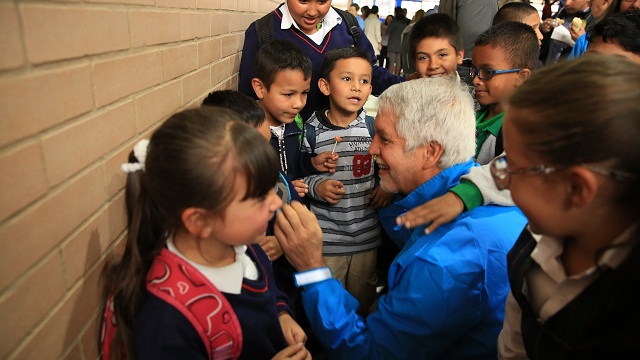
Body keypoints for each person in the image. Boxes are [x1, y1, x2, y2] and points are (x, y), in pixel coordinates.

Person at [274, 77, 528, 359]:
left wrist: (312, 269)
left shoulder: (440, 262)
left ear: (430, 152)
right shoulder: (485, 196)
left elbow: (370, 353)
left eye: (384, 138)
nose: (372, 149)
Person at [99, 107, 311, 359]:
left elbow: (266, 287)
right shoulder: (167, 320)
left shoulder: (243, 244)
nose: (276, 204)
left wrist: (281, 314)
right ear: (200, 221)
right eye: (258, 197)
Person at [496, 54, 640, 359]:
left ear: (576, 189)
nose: (501, 181)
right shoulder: (533, 244)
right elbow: (514, 343)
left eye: (512, 167)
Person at [302, 47, 392, 316]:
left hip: (366, 238)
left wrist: (386, 188)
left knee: (362, 303)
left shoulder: (375, 128)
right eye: (347, 79)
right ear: (325, 86)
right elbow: (297, 175)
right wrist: (317, 185)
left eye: (364, 81)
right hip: (326, 240)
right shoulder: (310, 130)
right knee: (328, 306)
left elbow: (388, 165)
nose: (357, 88)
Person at [238, 0, 403, 121]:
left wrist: (407, 84)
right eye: (303, 1)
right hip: (289, 144)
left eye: (322, 1)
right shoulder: (263, 32)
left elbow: (370, 73)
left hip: (340, 142)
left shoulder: (347, 25)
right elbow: (248, 98)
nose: (312, 11)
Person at [250, 40, 337, 192]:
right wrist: (284, 191)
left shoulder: (296, 121)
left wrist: (312, 164)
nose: (298, 104)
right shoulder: (248, 130)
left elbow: (292, 164)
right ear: (260, 88)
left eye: (304, 93)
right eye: (288, 94)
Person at [471, 22, 539, 166]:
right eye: (475, 70)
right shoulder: (469, 114)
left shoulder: (518, 135)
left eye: (487, 72)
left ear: (521, 77)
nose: (476, 80)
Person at [540, 0, 592, 64]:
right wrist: (544, 29)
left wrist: (582, 41)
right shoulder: (561, 12)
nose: (567, 3)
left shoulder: (594, 20)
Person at [400, 9, 426, 76]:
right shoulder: (423, 29)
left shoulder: (407, 29)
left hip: (407, 62)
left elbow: (402, 42)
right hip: (416, 63)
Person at [386, 6, 410, 75]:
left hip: (392, 44)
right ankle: (397, 76)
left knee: (391, 62)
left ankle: (390, 76)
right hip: (400, 44)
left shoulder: (394, 21)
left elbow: (388, 31)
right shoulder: (405, 22)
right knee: (398, 62)